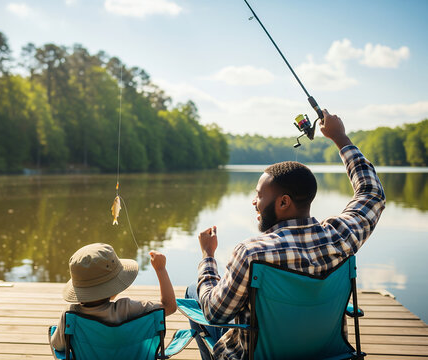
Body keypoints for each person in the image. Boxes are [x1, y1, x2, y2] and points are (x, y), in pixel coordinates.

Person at [187, 109, 386, 360]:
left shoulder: (252, 253)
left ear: (283, 203)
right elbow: (372, 194)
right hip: (323, 354)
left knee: (195, 291)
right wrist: (340, 138)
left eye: (259, 195)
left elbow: (215, 314)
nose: (254, 202)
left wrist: (207, 257)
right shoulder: (341, 237)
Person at [50, 243, 177, 351]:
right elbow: (169, 306)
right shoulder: (128, 309)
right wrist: (160, 269)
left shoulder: (70, 316)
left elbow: (58, 346)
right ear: (113, 287)